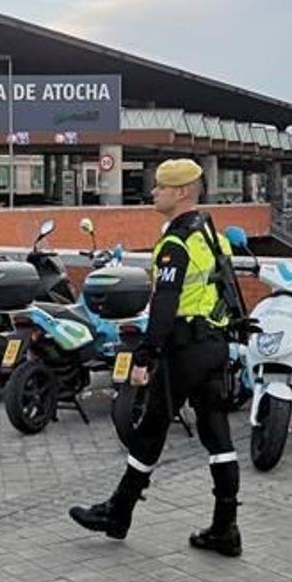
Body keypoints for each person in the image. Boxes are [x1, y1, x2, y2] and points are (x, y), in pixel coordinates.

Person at [69, 158, 245, 556]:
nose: (153, 192)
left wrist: (145, 358)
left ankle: (118, 511)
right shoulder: (215, 237)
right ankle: (225, 527)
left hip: (183, 347)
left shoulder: (175, 242)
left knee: (150, 430)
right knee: (218, 435)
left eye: (161, 187)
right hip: (213, 345)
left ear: (181, 192)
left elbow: (164, 307)